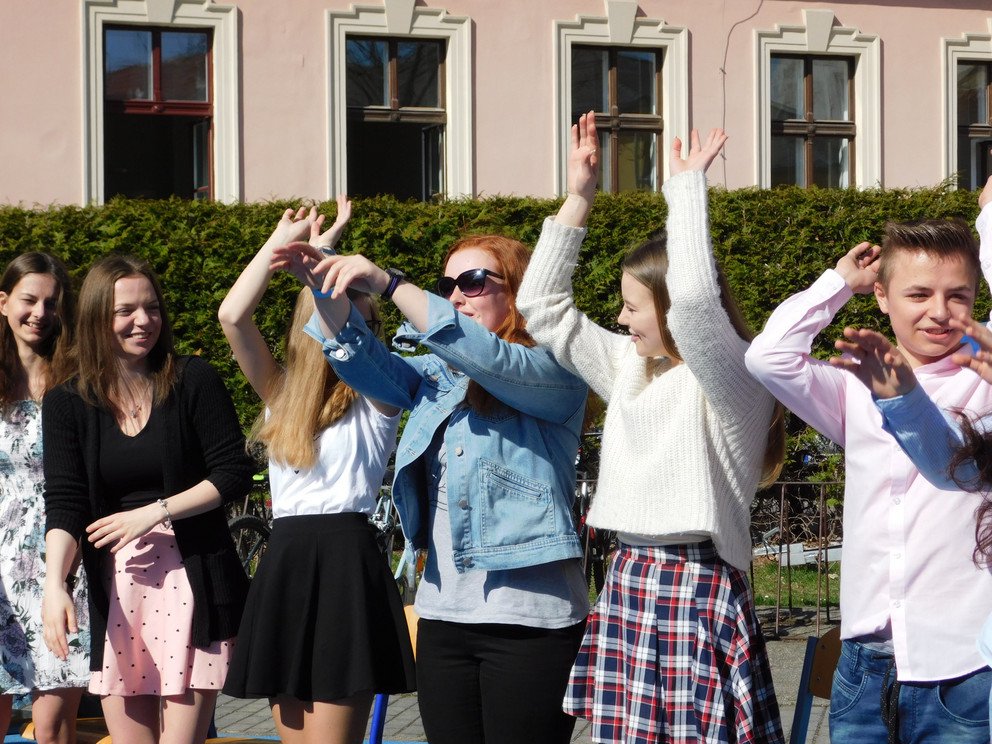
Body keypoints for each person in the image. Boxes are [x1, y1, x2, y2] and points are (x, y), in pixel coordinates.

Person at [515, 113, 785, 743]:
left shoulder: (730, 384)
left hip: (694, 585)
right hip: (631, 578)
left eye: (633, 307)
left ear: (665, 311)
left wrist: (688, 189)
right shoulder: (632, 370)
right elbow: (542, 309)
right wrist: (579, 197)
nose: (620, 318)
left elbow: (694, 304)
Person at [269, 216, 591, 744]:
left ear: (517, 292)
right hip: (445, 616)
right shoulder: (435, 377)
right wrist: (323, 288)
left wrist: (390, 284)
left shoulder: (553, 371)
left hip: (532, 622)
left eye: (473, 282)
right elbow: (358, 357)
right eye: (447, 286)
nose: (456, 296)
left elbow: (487, 356)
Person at [745, 183, 992, 742]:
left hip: (964, 667)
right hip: (865, 662)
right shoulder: (857, 386)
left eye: (959, 295)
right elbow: (768, 356)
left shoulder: (984, 376)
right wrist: (838, 285)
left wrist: (989, 218)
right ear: (881, 296)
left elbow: (951, 461)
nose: (939, 312)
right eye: (919, 293)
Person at [217, 199, 415, 744]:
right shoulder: (280, 396)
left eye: (368, 326)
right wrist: (282, 243)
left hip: (345, 564)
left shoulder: (379, 397)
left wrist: (324, 255)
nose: (364, 337)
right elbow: (232, 316)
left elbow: (334, 317)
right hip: (287, 563)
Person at [40, 254, 254, 744]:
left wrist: (153, 513)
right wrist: (56, 583)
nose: (144, 321)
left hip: (193, 580)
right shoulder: (67, 400)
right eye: (125, 311)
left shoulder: (192, 378)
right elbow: (66, 501)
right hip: (118, 589)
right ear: (96, 317)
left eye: (152, 307)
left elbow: (233, 473)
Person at [0, 253, 90, 744]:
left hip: (61, 562)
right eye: (28, 300)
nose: (39, 313)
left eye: (50, 303)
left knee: (54, 727)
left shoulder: (78, 382)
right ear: (3, 302)